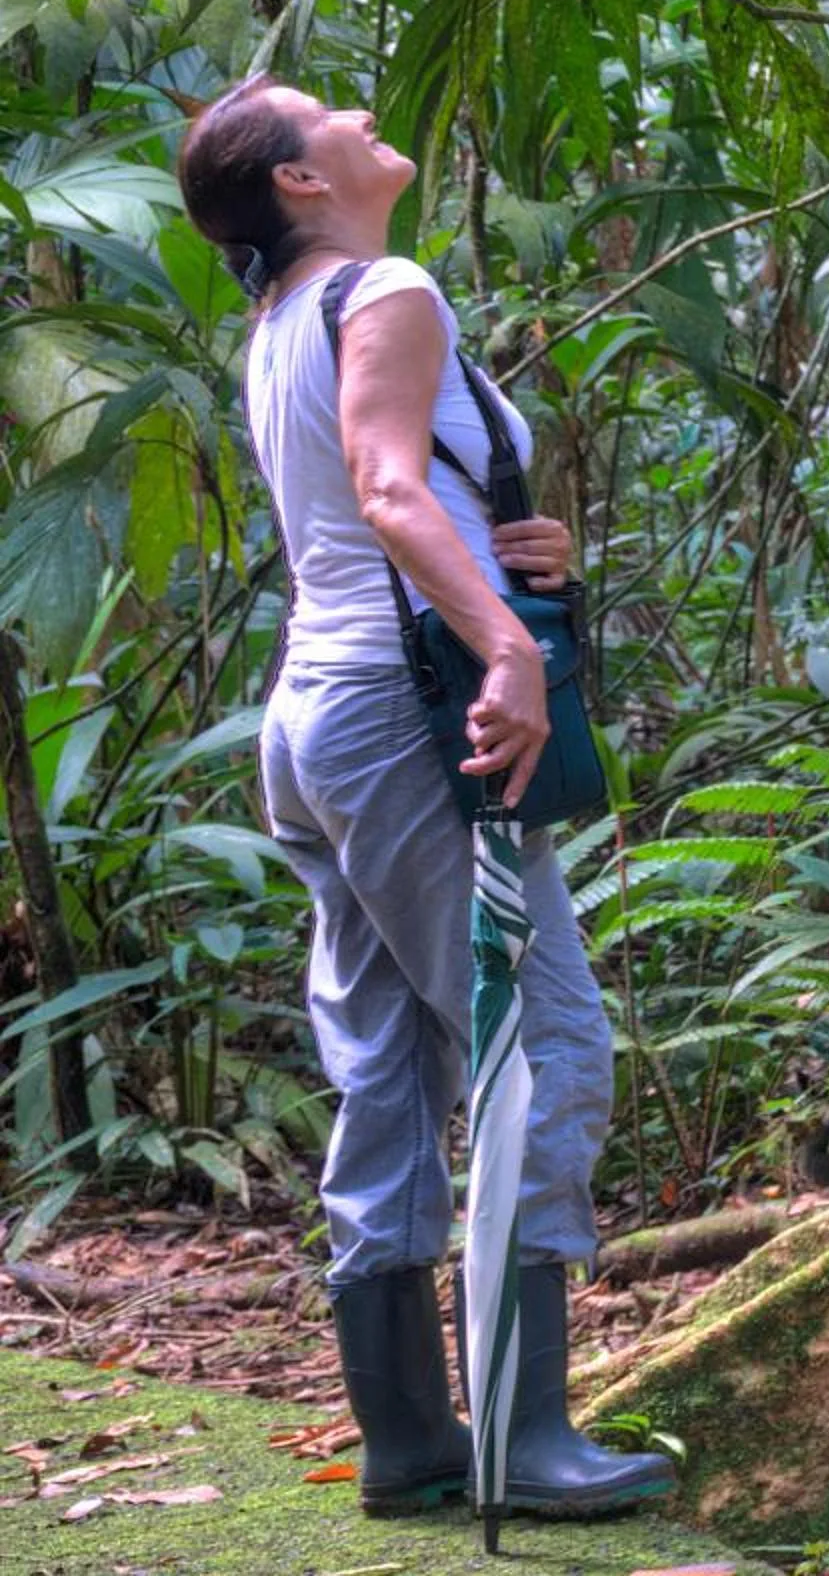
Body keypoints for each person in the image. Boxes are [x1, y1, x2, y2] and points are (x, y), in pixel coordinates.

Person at [179, 75, 671, 1520]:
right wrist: (510, 646)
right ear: (298, 184)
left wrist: (524, 548)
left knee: (389, 1060)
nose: (360, 120)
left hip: (313, 722)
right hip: (405, 719)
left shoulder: (282, 323)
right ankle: (527, 1439)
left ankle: (407, 1442)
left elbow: (386, 496)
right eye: (325, 116)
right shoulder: (382, 285)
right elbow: (390, 496)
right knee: (549, 1040)